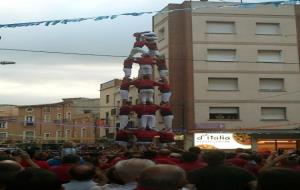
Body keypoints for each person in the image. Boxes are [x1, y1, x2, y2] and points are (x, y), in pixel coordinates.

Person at [187, 150, 256, 190]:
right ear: (224, 158)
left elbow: (189, 187)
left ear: (204, 159)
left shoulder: (197, 172)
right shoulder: (241, 171)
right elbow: (254, 185)